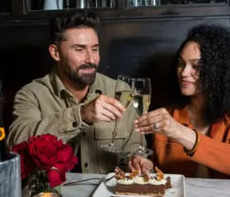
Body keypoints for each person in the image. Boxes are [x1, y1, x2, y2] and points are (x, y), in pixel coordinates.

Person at [8, 10, 142, 173]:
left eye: (94, 49)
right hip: (52, 195)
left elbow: (134, 149)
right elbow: (16, 144)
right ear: (56, 53)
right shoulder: (31, 94)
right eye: (79, 49)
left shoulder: (120, 91)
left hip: (108, 194)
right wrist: (80, 115)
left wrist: (137, 161)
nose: (91, 59)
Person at [129, 24, 230, 180]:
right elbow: (165, 171)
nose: (184, 73)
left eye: (196, 66)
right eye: (181, 64)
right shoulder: (170, 113)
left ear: (219, 70)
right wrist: (149, 168)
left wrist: (178, 131)